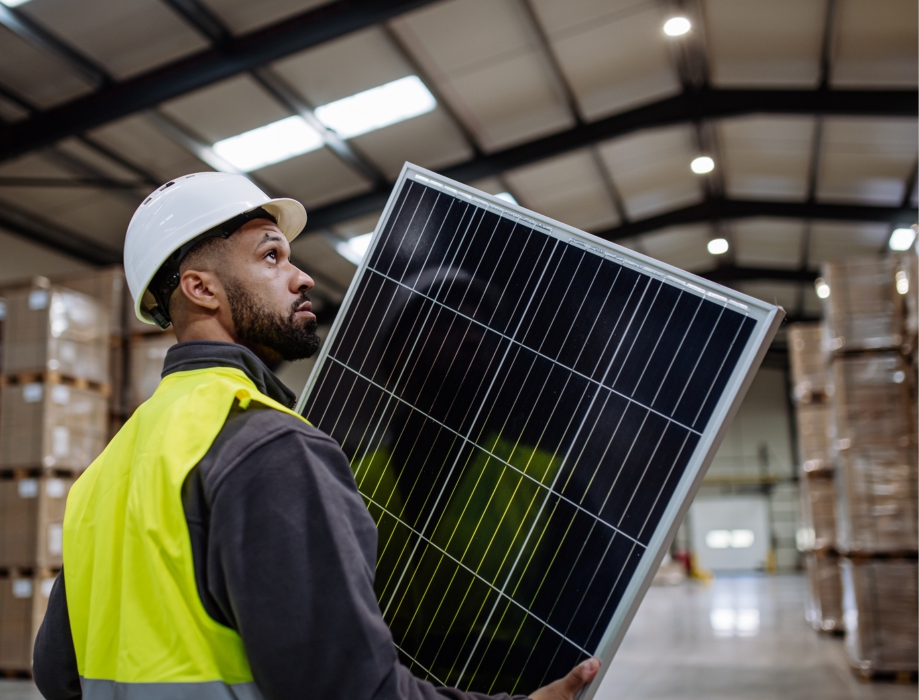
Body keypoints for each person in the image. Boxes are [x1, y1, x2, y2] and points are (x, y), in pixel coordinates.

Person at [32, 172, 600, 700]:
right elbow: (348, 688)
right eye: (271, 256)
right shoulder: (268, 445)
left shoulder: (105, 472)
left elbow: (56, 673)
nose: (302, 277)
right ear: (201, 289)